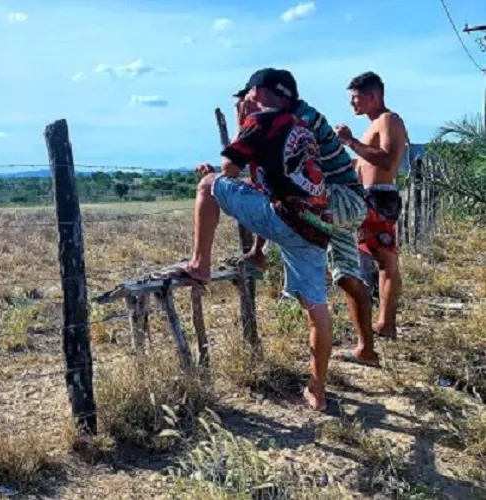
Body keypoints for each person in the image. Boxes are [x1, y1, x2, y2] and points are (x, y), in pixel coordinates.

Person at [162, 68, 335, 411]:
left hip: (286, 219)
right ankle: (317, 389)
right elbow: (270, 186)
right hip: (317, 226)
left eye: (248, 95)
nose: (245, 101)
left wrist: (240, 132)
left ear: (258, 92)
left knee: (208, 184)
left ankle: (200, 264)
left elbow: (228, 171)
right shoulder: (301, 128)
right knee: (316, 307)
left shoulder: (263, 121)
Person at [233, 69, 380, 367]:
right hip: (347, 203)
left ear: (270, 95)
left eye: (253, 99)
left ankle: (311, 313)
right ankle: (366, 349)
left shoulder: (291, 121)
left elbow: (264, 178)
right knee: (348, 275)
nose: (251, 106)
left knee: (278, 215)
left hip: (334, 199)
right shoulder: (302, 114)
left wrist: (245, 126)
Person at [335, 71, 408, 340]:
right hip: (369, 197)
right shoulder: (374, 124)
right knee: (374, 261)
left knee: (386, 263)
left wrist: (352, 142)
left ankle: (385, 324)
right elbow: (366, 163)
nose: (352, 104)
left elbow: (387, 161)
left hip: (379, 197)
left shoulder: (388, 120)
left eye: (356, 98)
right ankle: (377, 320)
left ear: (373, 96)